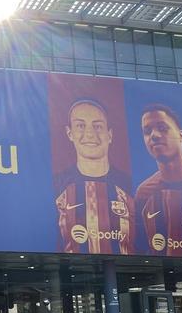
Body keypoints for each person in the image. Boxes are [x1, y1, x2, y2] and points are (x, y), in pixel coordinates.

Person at [54, 98, 133, 254]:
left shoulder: (130, 186)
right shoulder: (56, 186)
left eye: (97, 126)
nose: (89, 134)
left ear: (109, 135)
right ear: (69, 133)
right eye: (80, 126)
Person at [132, 103, 182, 257]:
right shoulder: (143, 192)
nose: (154, 135)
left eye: (162, 128)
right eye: (147, 131)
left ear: (181, 135)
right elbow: (140, 246)